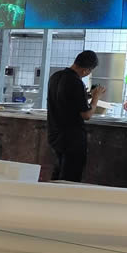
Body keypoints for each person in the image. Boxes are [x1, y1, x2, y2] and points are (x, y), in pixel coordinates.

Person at [47, 50, 105, 182]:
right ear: (86, 70)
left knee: (58, 174)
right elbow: (86, 114)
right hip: (71, 139)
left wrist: (87, 95)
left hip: (55, 135)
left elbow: (67, 99)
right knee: (70, 178)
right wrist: (96, 97)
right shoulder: (75, 82)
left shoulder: (55, 77)